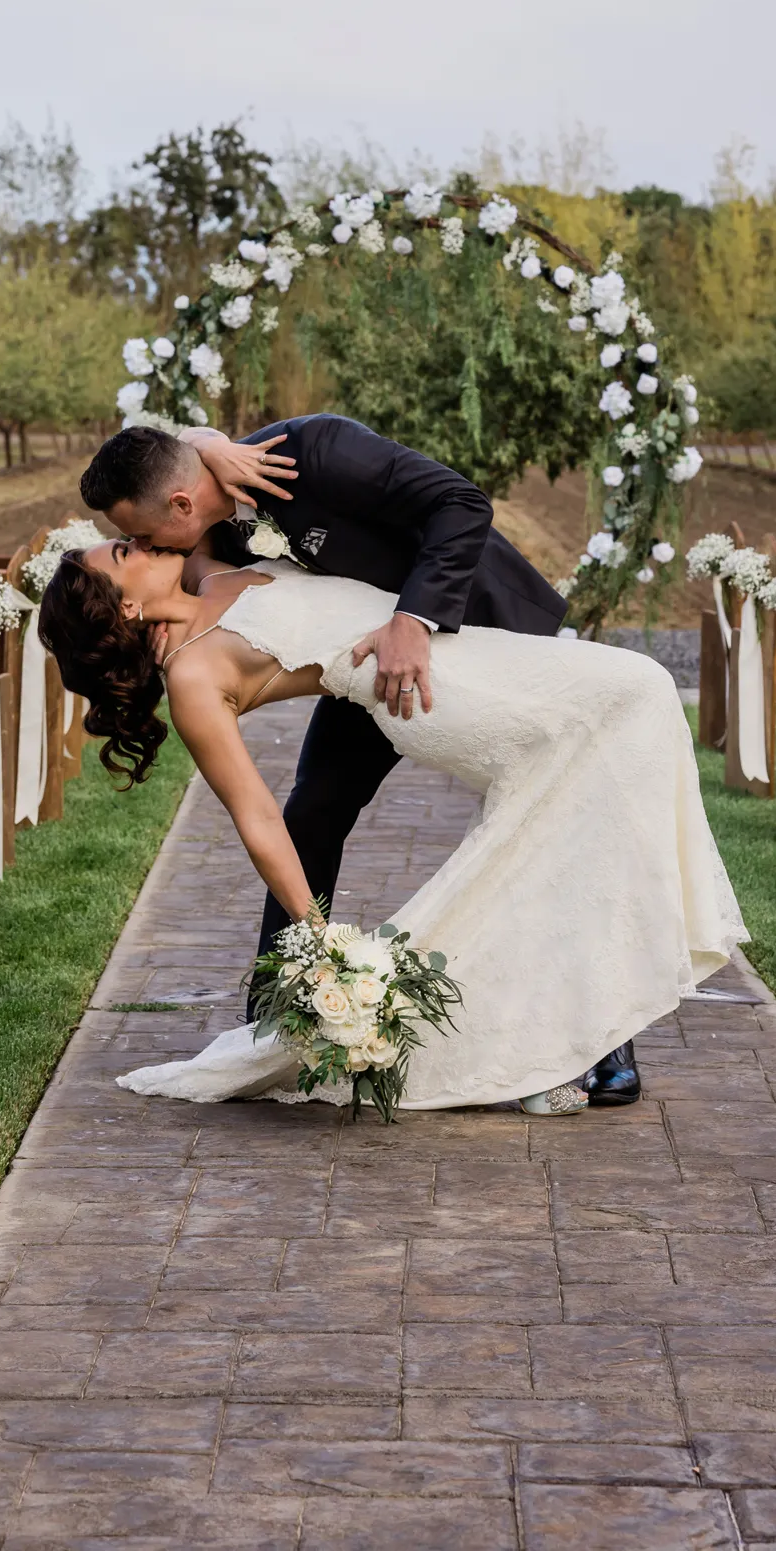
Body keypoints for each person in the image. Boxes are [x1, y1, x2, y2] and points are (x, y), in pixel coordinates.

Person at [38, 535, 745, 1114]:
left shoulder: (208, 571)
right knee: (642, 688)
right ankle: (552, 1045)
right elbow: (256, 815)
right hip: (444, 691)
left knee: (584, 791)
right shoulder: (193, 677)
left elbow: (193, 474)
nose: (141, 542)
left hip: (457, 648)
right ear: (127, 603)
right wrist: (314, 933)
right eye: (123, 551)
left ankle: (557, 1039)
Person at [79, 416, 640, 1107]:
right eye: (127, 546)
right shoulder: (199, 543)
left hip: (462, 624)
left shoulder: (312, 453)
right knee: (314, 806)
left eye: (138, 535)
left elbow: (461, 505)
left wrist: (414, 619)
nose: (140, 545)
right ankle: (287, 999)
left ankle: (606, 1031)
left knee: (548, 817)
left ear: (181, 506)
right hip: (363, 664)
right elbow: (163, 470)